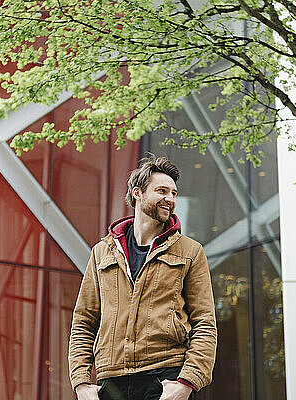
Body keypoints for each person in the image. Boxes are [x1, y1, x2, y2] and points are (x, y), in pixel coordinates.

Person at [68, 155, 217, 400]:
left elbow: (205, 323)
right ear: (137, 193)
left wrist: (187, 382)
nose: (170, 199)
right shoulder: (102, 252)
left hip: (165, 376)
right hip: (110, 379)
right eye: (162, 191)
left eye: (174, 193)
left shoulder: (190, 251)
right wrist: (81, 383)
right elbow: (83, 321)